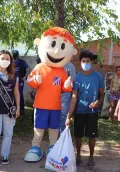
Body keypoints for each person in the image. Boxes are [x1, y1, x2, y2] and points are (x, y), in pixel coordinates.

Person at [24, 27, 76, 162]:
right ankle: (35, 147)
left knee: (54, 128)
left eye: (62, 46)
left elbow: (67, 88)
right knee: (39, 127)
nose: (57, 51)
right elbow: (29, 81)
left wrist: (67, 85)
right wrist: (35, 80)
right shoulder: (40, 67)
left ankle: (53, 147)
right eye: (53, 44)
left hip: (55, 106)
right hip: (40, 105)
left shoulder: (62, 71)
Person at [66, 50, 104, 169]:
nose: (86, 63)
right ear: (80, 62)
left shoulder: (98, 76)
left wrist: (98, 103)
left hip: (92, 112)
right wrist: (69, 115)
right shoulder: (77, 77)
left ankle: (91, 157)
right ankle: (78, 156)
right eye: (83, 61)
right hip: (79, 111)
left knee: (91, 136)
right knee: (78, 135)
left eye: (88, 61)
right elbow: (74, 97)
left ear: (92, 62)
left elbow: (102, 95)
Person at [0, 50, 20, 165]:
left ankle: (5, 155)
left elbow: (16, 93)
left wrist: (18, 107)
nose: (5, 61)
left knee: (8, 134)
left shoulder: (14, 75)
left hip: (10, 109)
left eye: (8, 59)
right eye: (3, 58)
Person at [60, 61, 77, 133]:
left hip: (65, 94)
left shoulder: (69, 66)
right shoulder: (52, 64)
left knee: (63, 114)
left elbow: (73, 80)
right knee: (54, 114)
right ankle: (53, 137)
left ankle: (62, 135)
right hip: (53, 93)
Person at [12, 50, 31, 115]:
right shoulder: (10, 62)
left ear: (17, 55)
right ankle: (13, 109)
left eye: (15, 55)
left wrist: (25, 76)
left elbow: (28, 68)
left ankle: (21, 109)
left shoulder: (22, 62)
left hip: (20, 81)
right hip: (12, 81)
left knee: (19, 94)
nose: (14, 56)